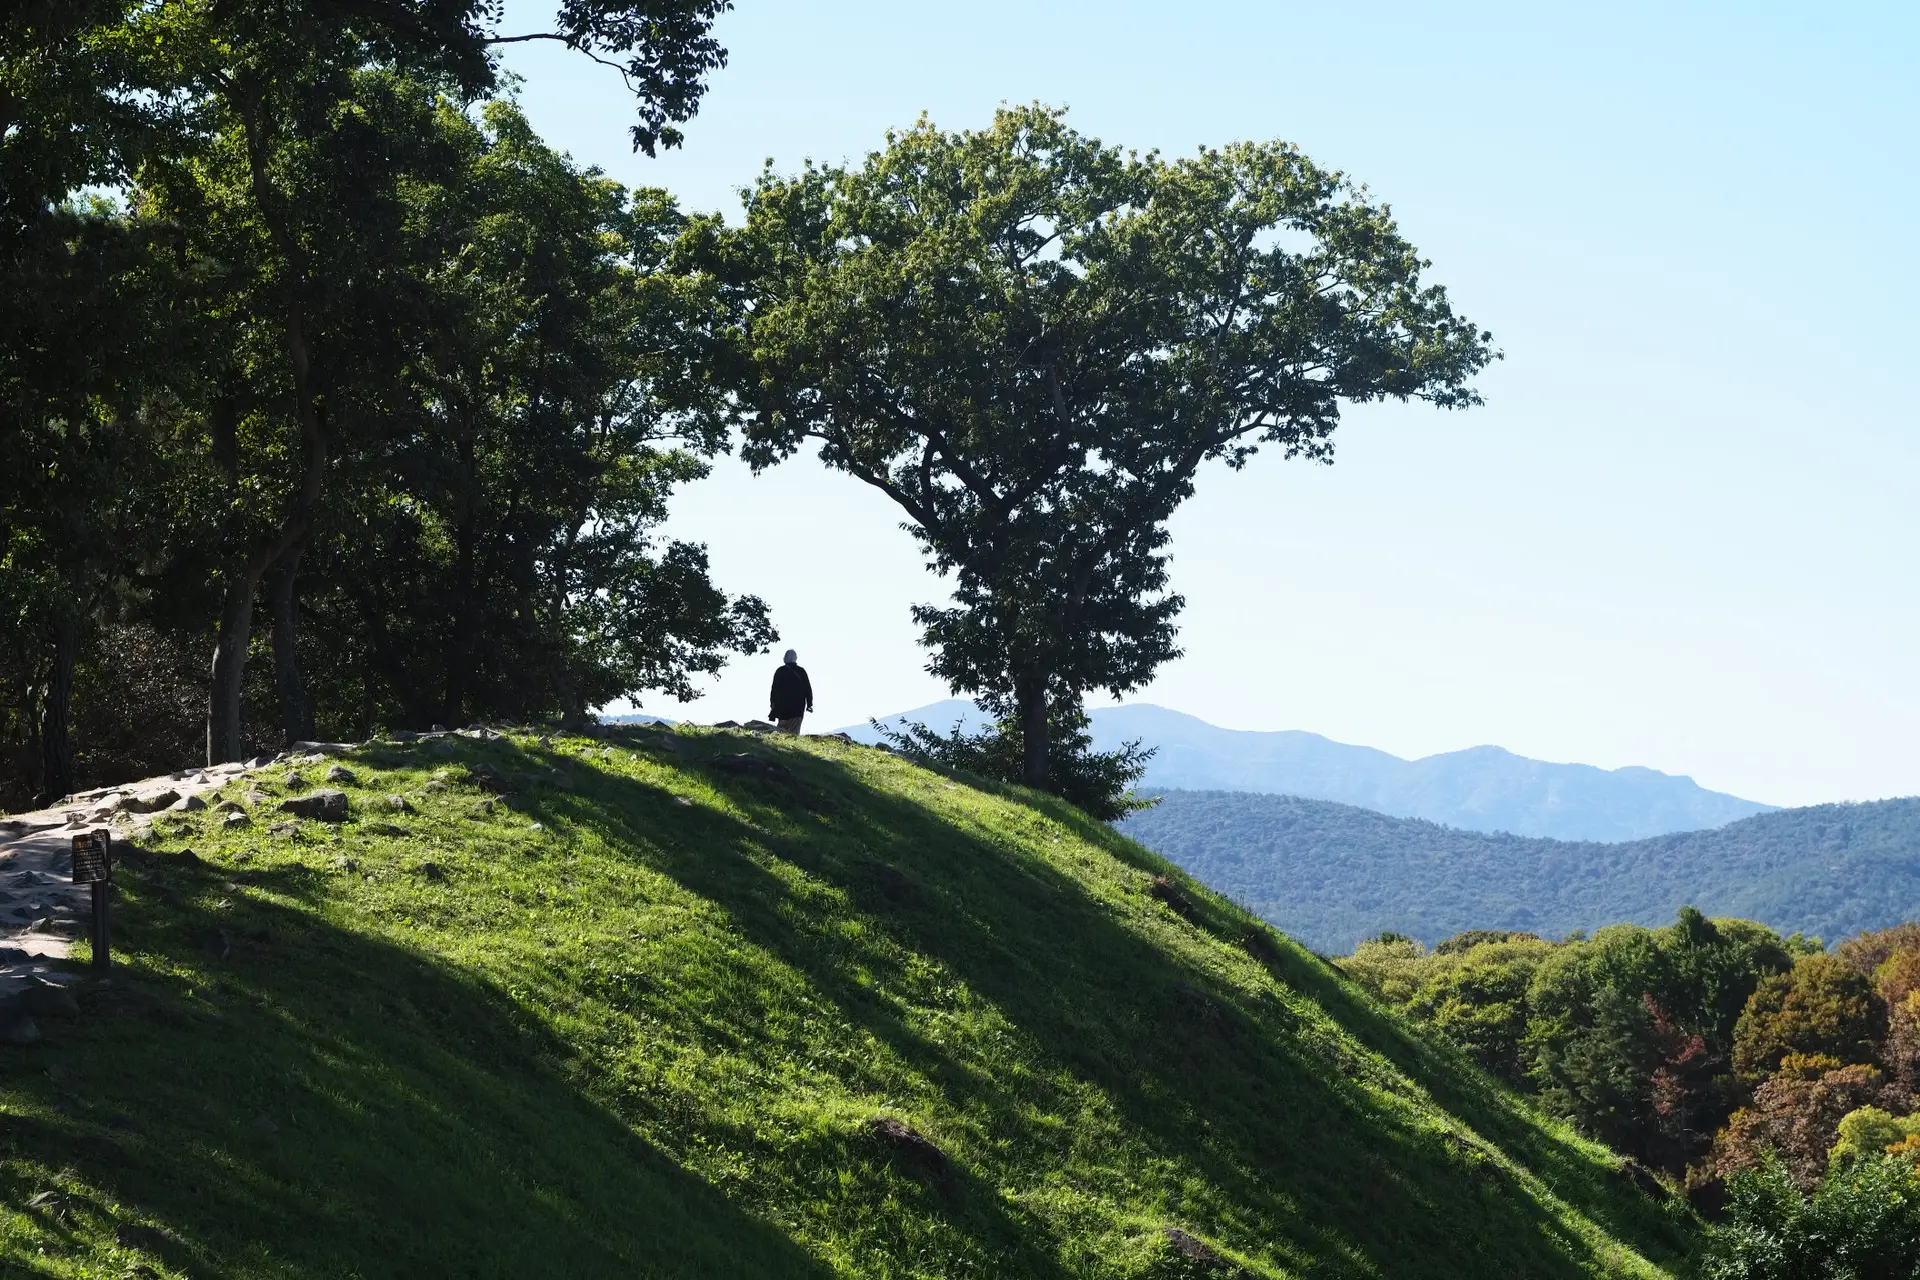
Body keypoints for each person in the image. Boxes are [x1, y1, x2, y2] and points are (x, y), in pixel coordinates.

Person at [768, 649, 813, 735]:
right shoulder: (801, 671)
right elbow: (807, 688)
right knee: (794, 733)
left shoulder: (780, 671)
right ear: (795, 658)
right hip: (797, 708)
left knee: (781, 732)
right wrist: (809, 704)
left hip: (782, 708)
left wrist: (773, 706)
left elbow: (774, 690)